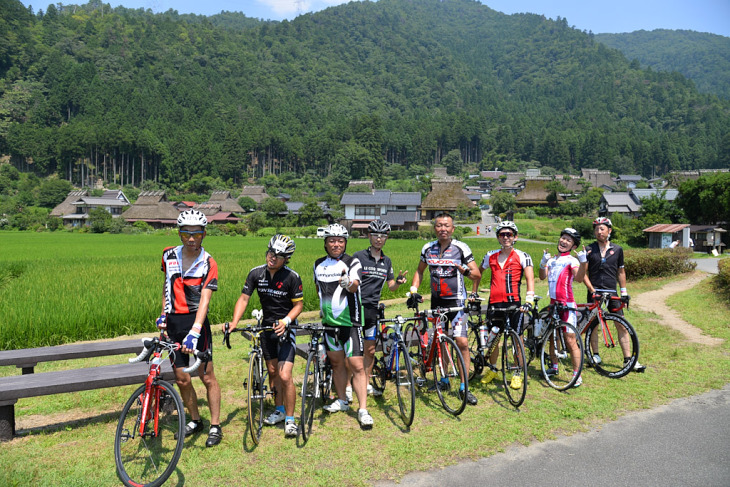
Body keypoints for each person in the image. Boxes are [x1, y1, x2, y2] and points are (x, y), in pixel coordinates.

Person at [225, 234, 303, 437]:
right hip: (266, 327)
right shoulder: (256, 274)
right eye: (271, 252)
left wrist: (286, 321)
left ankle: (291, 420)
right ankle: (279, 409)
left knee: (285, 375)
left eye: (278, 255)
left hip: (286, 327)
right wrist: (234, 322)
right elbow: (244, 299)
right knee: (272, 371)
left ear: (286, 258)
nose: (273, 257)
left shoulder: (292, 277)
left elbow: (299, 305)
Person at [158, 209, 222, 447]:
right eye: (186, 233)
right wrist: (163, 315)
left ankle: (215, 425)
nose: (191, 238)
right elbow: (166, 286)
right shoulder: (167, 255)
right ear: (180, 233)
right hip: (174, 323)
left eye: (196, 233)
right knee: (182, 378)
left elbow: (205, 299)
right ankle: (195, 420)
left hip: (197, 323)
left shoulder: (208, 262)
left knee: (206, 376)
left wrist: (195, 332)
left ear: (204, 234)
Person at [410, 212, 481, 405]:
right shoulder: (428, 248)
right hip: (437, 303)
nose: (443, 229)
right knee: (440, 342)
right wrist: (413, 289)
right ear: (435, 228)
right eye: (439, 225)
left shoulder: (461, 248)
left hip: (456, 303)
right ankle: (444, 380)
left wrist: (466, 271)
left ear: (452, 229)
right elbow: (419, 270)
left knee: (462, 342)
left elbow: (476, 274)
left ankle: (465, 387)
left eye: (447, 226)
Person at [313, 223, 373, 428]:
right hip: (329, 324)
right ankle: (342, 400)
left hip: (351, 322)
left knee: (356, 366)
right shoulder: (318, 264)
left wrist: (348, 282)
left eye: (340, 241)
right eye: (332, 240)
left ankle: (363, 409)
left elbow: (355, 284)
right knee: (337, 364)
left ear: (345, 243)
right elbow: (319, 290)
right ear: (326, 243)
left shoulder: (352, 262)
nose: (336, 244)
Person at [472, 221, 535, 390]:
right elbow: (477, 274)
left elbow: (530, 279)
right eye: (502, 234)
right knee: (494, 339)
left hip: (513, 303)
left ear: (515, 237)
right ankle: (493, 370)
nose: (506, 237)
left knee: (517, 339)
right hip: (494, 303)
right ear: (498, 237)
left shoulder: (523, 256)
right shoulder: (490, 255)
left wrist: (529, 299)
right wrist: (474, 292)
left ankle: (516, 373)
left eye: (509, 234)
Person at [580, 217, 645, 372]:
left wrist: (624, 291)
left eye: (602, 229)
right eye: (596, 229)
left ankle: (628, 360)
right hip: (595, 292)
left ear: (609, 230)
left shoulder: (617, 249)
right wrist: (591, 289)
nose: (598, 232)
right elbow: (583, 273)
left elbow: (621, 271)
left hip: (611, 292)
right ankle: (595, 355)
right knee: (592, 326)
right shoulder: (589, 250)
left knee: (621, 325)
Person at [352, 220, 408, 399]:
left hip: (372, 309)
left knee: (369, 350)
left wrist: (398, 282)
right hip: (355, 308)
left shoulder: (387, 261)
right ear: (369, 236)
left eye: (382, 236)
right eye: (375, 235)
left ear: (386, 238)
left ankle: (366, 382)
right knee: (352, 349)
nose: (378, 239)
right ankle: (348, 386)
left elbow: (390, 286)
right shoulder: (358, 256)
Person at [538, 227, 587, 387]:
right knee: (552, 337)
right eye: (563, 238)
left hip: (567, 305)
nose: (563, 241)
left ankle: (576, 374)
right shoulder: (552, 260)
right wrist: (543, 262)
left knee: (570, 339)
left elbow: (579, 278)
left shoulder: (572, 261)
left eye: (568, 240)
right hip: (553, 304)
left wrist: (583, 262)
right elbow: (542, 276)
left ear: (573, 246)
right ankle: (554, 366)